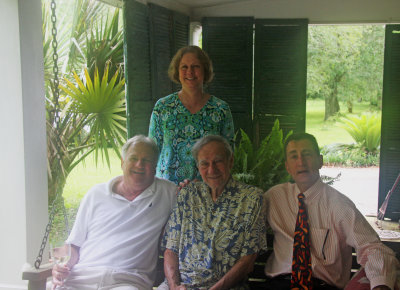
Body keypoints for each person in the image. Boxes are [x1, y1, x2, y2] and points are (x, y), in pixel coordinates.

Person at [263, 132, 399, 290]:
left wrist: (380, 284)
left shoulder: (339, 206)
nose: (301, 162)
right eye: (294, 156)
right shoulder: (274, 197)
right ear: (287, 166)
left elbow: (372, 248)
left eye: (307, 154)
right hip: (278, 284)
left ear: (320, 161)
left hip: (321, 285)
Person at [50, 135, 177, 290]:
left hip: (127, 281)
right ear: (122, 163)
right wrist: (63, 265)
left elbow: (196, 199)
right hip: (81, 277)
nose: (139, 164)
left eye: (147, 160)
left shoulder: (168, 193)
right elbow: (74, 245)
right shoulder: (96, 194)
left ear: (156, 166)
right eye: (133, 158)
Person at [160, 135, 267, 290]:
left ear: (230, 161)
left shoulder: (252, 199)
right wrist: (174, 285)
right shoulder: (187, 195)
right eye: (204, 163)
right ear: (198, 166)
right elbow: (171, 250)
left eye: (218, 161)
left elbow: (248, 261)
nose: (212, 169)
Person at [148, 45, 234, 185]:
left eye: (196, 66)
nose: (190, 72)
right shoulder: (163, 107)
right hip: (168, 190)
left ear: (205, 70)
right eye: (184, 67)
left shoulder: (220, 109)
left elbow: (228, 155)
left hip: (207, 191)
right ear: (177, 71)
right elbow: (151, 150)